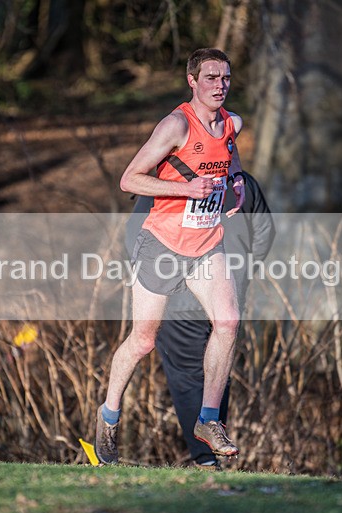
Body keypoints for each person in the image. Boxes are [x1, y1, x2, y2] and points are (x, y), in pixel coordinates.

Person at [95, 48, 246, 465]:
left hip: (206, 244)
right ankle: (108, 416)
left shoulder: (231, 124)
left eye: (226, 78)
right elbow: (131, 179)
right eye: (211, 78)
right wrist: (186, 190)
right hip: (161, 244)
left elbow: (228, 161)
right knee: (143, 341)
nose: (220, 85)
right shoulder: (176, 125)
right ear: (192, 81)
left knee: (229, 322)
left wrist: (236, 186)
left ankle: (209, 420)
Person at [128, 171, 275, 470]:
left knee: (187, 377)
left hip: (179, 299)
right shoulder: (239, 182)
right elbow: (265, 232)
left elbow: (135, 238)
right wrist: (241, 277)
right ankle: (213, 448)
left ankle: (205, 459)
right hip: (227, 296)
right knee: (219, 371)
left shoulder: (163, 181)